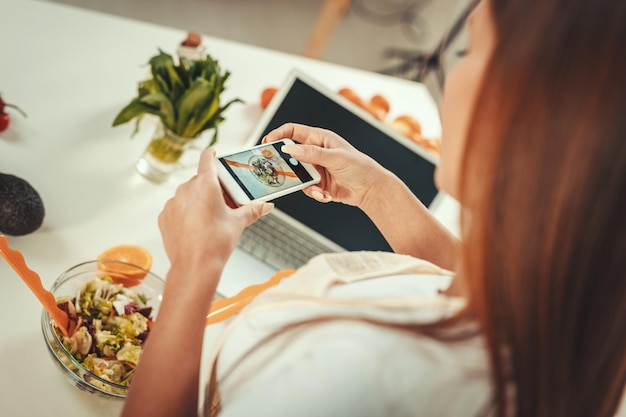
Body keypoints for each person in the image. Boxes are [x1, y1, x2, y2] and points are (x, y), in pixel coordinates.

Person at [120, 0, 626, 416]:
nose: (452, 78)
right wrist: (377, 193)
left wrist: (193, 268)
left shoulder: (359, 371)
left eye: (471, 49)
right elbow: (489, 298)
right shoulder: (570, 326)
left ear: (529, 116)